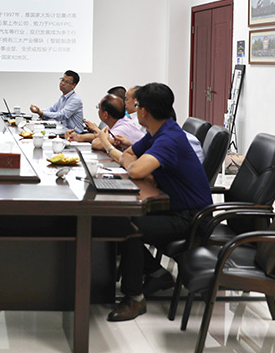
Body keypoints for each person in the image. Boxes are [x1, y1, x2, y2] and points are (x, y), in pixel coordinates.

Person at [106, 83, 212, 322]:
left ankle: (135, 298)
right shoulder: (158, 131)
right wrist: (132, 163)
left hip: (193, 217)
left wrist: (133, 164)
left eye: (137, 106)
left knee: (130, 228)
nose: (135, 110)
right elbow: (130, 155)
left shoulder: (169, 138)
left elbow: (135, 169)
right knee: (117, 218)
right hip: (173, 207)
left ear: (144, 111)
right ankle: (156, 273)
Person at [66, 94, 145, 154]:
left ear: (105, 115)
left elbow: (97, 144)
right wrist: (78, 137)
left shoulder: (123, 128)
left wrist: (104, 138)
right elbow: (98, 136)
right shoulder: (118, 121)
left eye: (99, 108)